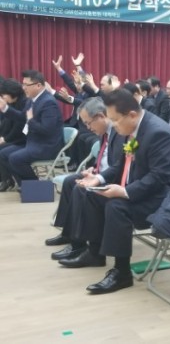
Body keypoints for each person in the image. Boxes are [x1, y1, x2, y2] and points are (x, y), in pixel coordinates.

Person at [59, 89, 170, 295]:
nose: (113, 125)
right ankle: (95, 252)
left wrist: (125, 192)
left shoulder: (158, 133)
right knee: (91, 193)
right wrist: (99, 179)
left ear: (132, 115)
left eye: (115, 120)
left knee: (117, 206)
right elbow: (121, 163)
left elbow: (159, 178)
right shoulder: (132, 128)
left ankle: (122, 272)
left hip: (163, 197)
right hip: (141, 187)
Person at [45, 97, 125, 259]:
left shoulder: (120, 132)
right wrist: (93, 169)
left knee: (80, 188)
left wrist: (99, 176)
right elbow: (103, 157)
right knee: (70, 181)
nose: (88, 127)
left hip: (114, 180)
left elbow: (119, 165)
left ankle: (78, 243)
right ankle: (68, 234)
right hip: (102, 174)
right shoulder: (104, 131)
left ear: (101, 116)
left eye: (89, 123)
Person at [0, 70, 64, 186]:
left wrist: (30, 121)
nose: (23, 88)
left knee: (15, 158)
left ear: (38, 85)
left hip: (46, 146)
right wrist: (5, 109)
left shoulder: (49, 102)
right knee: (3, 154)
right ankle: (24, 186)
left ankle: (36, 187)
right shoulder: (31, 100)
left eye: (26, 85)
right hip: (33, 142)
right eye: (23, 84)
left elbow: (47, 130)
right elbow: (22, 117)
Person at [0, 79, 27, 191]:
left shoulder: (25, 102)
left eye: (4, 95)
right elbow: (7, 123)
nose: (2, 97)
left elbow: (19, 127)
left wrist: (5, 139)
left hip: (25, 140)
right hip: (17, 137)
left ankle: (9, 180)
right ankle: (6, 180)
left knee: (3, 151)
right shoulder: (14, 102)